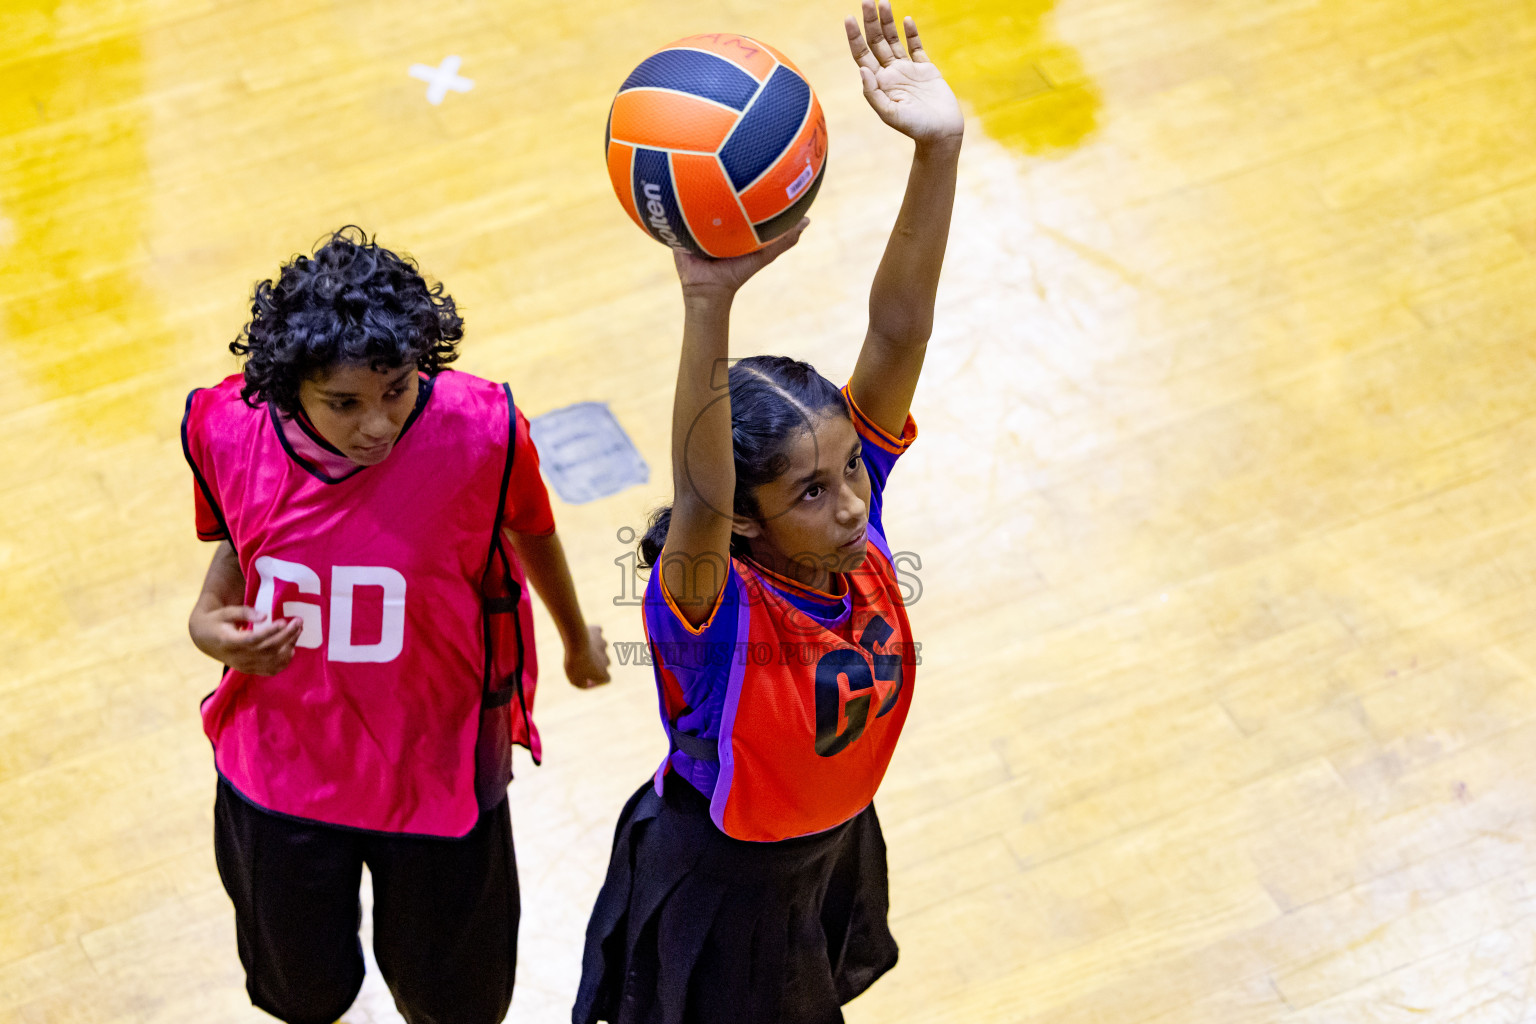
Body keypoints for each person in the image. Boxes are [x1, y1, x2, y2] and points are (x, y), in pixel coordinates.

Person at [572, 3, 963, 1021]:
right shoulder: (715, 606)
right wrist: (708, 299)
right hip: (724, 886)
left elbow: (898, 331)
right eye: (810, 490)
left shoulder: (856, 531)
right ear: (746, 522)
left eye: (852, 472)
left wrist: (938, 150)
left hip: (831, 846)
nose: (851, 505)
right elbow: (698, 490)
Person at [181, 226, 611, 1024]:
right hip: (282, 767)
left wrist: (576, 636)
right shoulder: (224, 428)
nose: (376, 424)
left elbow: (530, 532)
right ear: (288, 391)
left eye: (397, 390)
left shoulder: (483, 430)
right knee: (302, 993)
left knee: (457, 1001)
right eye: (344, 404)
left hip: (441, 763)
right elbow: (242, 547)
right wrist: (207, 626)